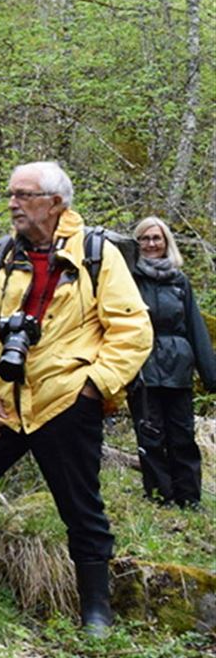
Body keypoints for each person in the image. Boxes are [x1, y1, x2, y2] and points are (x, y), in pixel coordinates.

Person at [0, 162, 152, 636]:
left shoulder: (96, 254)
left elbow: (132, 330)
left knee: (80, 505)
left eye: (24, 195)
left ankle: (95, 608)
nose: (13, 203)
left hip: (65, 401)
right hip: (2, 402)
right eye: (11, 194)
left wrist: (94, 386)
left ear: (56, 202)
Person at [128, 216, 216, 507]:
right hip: (141, 363)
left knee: (182, 435)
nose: (151, 244)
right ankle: (160, 497)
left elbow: (195, 327)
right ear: (137, 243)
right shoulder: (128, 279)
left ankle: (190, 498)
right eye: (145, 238)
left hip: (178, 364)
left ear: (166, 242)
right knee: (150, 434)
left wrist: (209, 373)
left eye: (156, 238)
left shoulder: (180, 281)